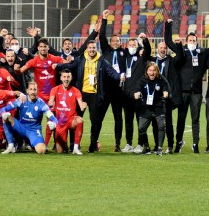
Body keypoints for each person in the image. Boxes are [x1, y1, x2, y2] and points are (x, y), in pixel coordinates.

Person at [164, 22, 209, 154]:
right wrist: (168, 25)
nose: (192, 42)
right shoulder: (182, 51)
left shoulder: (202, 53)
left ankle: (195, 144)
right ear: (186, 42)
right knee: (181, 118)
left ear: (197, 42)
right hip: (183, 91)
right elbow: (168, 41)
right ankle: (178, 143)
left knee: (195, 119)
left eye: (194, 40)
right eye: (190, 40)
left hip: (196, 92)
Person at [57, 40, 124, 153]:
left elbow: (111, 72)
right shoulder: (81, 59)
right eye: (90, 48)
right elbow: (70, 66)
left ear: (96, 49)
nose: (92, 50)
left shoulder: (102, 61)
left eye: (94, 48)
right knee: (75, 119)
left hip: (95, 95)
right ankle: (74, 145)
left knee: (96, 121)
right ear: (87, 49)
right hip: (81, 94)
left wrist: (119, 77)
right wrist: (58, 65)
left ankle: (93, 144)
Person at [148, 22, 184, 153]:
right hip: (154, 96)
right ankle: (157, 145)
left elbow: (180, 55)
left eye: (165, 48)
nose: (163, 49)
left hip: (166, 96)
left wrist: (179, 45)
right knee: (154, 122)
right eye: (161, 48)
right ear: (157, 49)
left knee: (168, 122)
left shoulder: (171, 61)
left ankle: (170, 145)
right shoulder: (152, 61)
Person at [98, 10, 131, 152]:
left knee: (119, 117)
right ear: (110, 42)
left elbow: (137, 53)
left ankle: (117, 143)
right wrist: (104, 19)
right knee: (99, 116)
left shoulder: (125, 53)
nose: (116, 42)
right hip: (106, 90)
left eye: (118, 41)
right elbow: (101, 36)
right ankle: (95, 141)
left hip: (119, 91)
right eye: (114, 41)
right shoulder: (106, 51)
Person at [0, 82, 59, 155]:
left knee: (42, 150)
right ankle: (11, 145)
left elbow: (53, 118)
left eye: (35, 89)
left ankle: (30, 143)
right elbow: (3, 109)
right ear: (27, 91)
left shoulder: (41, 104)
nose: (33, 92)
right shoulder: (21, 100)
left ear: (37, 91)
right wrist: (3, 114)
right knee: (6, 117)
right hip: (21, 128)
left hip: (33, 131)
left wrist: (54, 124)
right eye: (31, 89)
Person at [120, 34, 152, 154]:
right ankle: (129, 143)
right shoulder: (125, 57)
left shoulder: (142, 56)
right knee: (128, 121)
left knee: (140, 121)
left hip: (139, 95)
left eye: (134, 45)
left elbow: (148, 50)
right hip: (127, 95)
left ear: (137, 46)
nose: (132, 47)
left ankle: (140, 143)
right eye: (130, 45)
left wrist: (144, 40)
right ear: (127, 46)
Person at [133, 62, 170, 156]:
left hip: (158, 107)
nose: (152, 73)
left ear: (157, 71)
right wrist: (136, 94)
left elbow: (166, 89)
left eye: (154, 70)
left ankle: (160, 148)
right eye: (150, 70)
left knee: (161, 126)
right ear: (147, 71)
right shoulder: (142, 80)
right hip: (146, 108)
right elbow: (137, 90)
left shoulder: (161, 80)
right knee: (141, 128)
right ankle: (146, 147)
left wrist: (165, 93)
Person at [49, 69, 87, 155]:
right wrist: (51, 103)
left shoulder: (76, 91)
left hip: (71, 120)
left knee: (80, 120)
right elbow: (50, 102)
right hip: (60, 123)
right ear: (61, 78)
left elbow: (81, 106)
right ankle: (65, 145)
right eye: (64, 77)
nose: (66, 79)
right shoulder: (55, 89)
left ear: (71, 78)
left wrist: (83, 106)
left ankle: (76, 148)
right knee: (60, 151)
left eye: (68, 77)